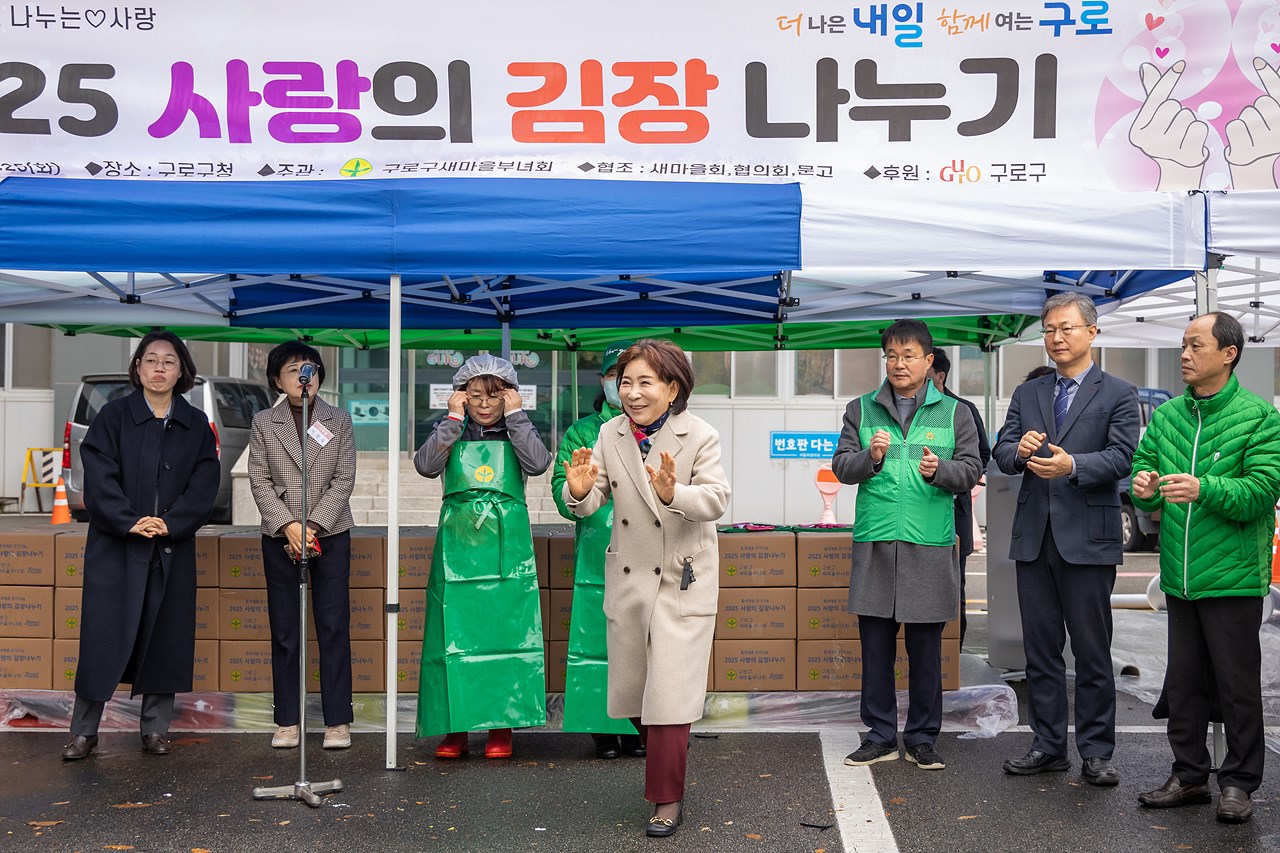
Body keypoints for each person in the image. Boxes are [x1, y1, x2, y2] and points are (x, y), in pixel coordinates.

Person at [563, 339, 729, 839]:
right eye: (625, 382)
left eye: (645, 382)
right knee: (636, 697)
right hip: (631, 577)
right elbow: (592, 501)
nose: (632, 393)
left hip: (682, 578)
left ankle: (666, 799)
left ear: (672, 387)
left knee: (670, 698)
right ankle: (669, 745)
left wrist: (672, 492)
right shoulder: (609, 435)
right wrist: (577, 489)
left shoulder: (699, 434)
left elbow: (717, 500)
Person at [1132, 313, 1280, 824]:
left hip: (1233, 577)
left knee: (1237, 684)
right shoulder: (1169, 415)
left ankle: (1238, 782)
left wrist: (1204, 488)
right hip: (1180, 573)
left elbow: (1262, 493)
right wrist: (1144, 483)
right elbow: (1140, 466)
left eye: (1196, 345)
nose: (1185, 354)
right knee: (1184, 682)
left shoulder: (1260, 417)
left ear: (1229, 353)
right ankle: (1189, 775)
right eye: (1183, 345)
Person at [993, 292, 1138, 787]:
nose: (1056, 337)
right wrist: (1020, 449)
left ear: (1092, 333)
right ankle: (1048, 744)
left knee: (1093, 651)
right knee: (1041, 650)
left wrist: (1072, 464)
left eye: (1066, 328)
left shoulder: (1117, 392)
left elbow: (1123, 458)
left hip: (1089, 536)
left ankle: (1097, 751)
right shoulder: (1028, 393)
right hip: (1035, 536)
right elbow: (1002, 450)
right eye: (1049, 329)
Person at [832, 320, 983, 772]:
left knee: (926, 650)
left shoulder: (956, 413)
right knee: (875, 648)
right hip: (877, 540)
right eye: (892, 355)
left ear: (928, 361)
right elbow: (841, 466)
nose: (899, 364)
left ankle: (921, 738)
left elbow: (973, 469)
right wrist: (871, 458)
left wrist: (941, 471)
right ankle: (879, 736)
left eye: (909, 355)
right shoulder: (861, 409)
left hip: (929, 544)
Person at [62, 330, 220, 760]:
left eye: (169, 361)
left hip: (169, 547)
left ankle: (154, 728)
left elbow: (205, 485)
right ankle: (84, 731)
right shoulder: (113, 417)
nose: (159, 369)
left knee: (164, 638)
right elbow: (98, 476)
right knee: (103, 637)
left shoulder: (195, 426)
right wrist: (131, 521)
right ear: (137, 368)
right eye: (151, 360)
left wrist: (169, 523)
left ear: (182, 371)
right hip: (117, 547)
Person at [414, 354, 552, 760]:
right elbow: (425, 465)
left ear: (509, 395)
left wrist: (519, 416)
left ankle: (501, 726)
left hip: (507, 550)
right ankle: (455, 727)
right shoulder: (451, 429)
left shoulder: (517, 428)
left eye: (495, 395)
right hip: (458, 548)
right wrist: (451, 422)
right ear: (461, 396)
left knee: (504, 632)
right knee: (454, 632)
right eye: (475, 395)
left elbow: (539, 463)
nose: (486, 404)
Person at [248, 342, 356, 751]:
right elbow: (258, 480)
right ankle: (288, 720)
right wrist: (289, 525)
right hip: (279, 535)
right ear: (277, 379)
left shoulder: (339, 420)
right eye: (292, 370)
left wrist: (312, 526)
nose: (301, 376)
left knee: (332, 626)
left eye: (308, 368)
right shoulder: (263, 422)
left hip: (329, 531)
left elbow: (343, 479)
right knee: (286, 629)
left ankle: (337, 721)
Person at [551, 341, 645, 760]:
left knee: (644, 639)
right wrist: (576, 487)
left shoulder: (660, 427)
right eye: (615, 377)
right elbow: (562, 491)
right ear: (604, 382)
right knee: (598, 639)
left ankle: (644, 725)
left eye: (633, 376)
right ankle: (602, 728)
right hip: (598, 551)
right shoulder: (583, 432)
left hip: (646, 552)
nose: (623, 387)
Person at [925, 347, 991, 647]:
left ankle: (954, 653)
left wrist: (948, 469)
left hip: (955, 509)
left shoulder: (962, 410)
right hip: (915, 512)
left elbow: (982, 455)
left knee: (955, 582)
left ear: (939, 374)